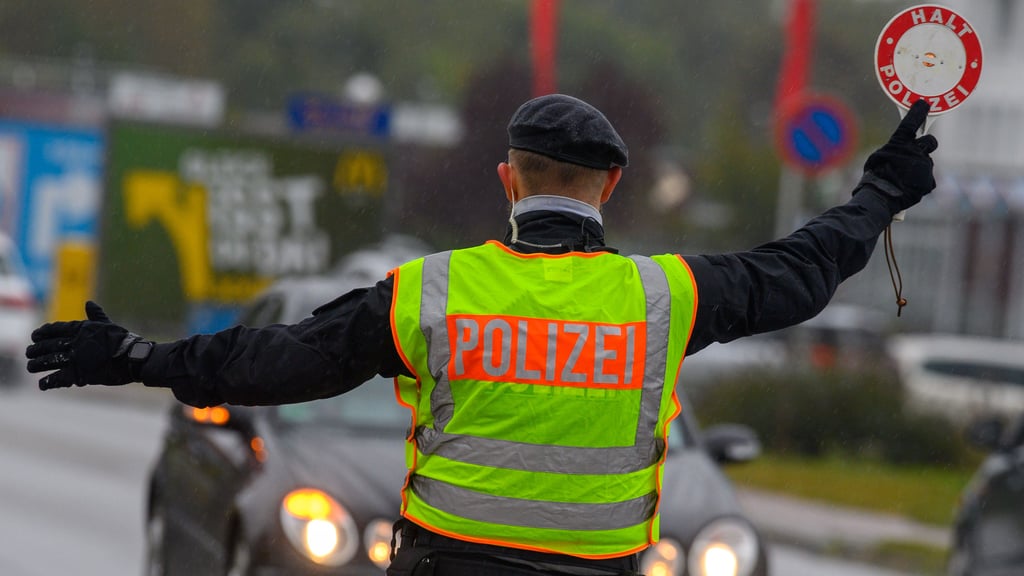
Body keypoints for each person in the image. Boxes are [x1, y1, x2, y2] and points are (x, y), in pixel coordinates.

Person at [25, 94, 938, 576]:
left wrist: (144, 358)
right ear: (610, 188)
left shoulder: (433, 293)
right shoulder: (667, 297)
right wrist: (880, 193)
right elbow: (803, 270)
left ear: (509, 179)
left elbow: (280, 362)